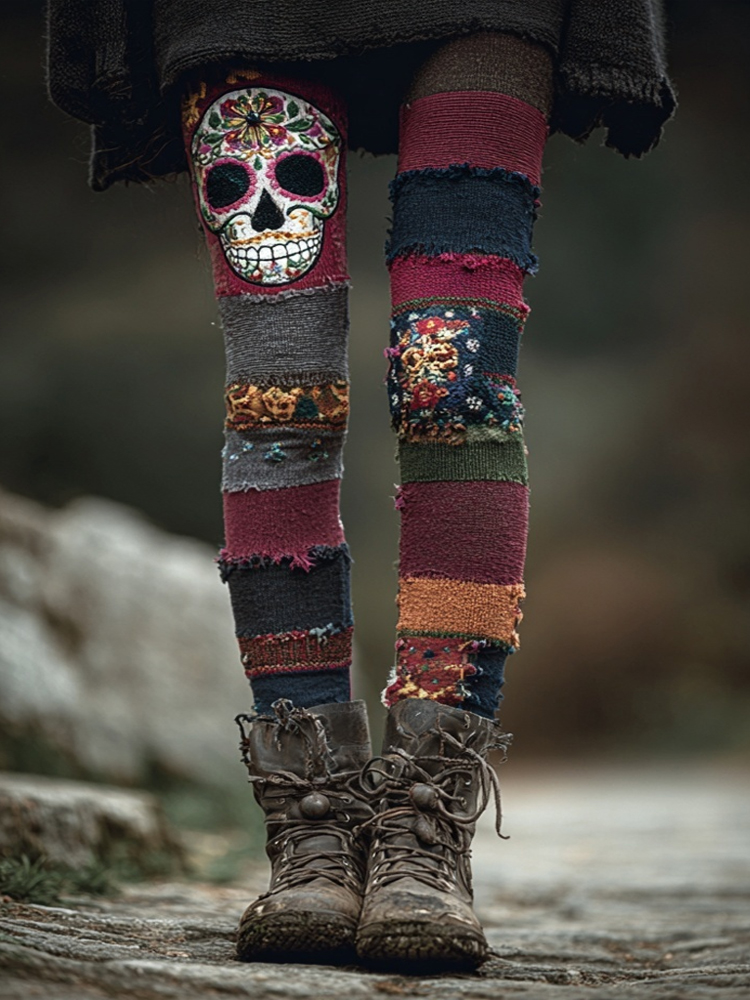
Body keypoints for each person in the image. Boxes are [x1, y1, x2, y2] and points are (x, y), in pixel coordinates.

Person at [46, 0, 675, 972]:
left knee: (456, 386)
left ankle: (427, 820)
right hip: (244, 19)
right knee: (279, 402)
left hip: (488, 13)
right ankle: (314, 820)